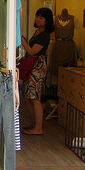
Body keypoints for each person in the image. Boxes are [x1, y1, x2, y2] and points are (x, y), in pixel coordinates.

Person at [20, 7, 55, 135]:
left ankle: (38, 127)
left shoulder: (45, 35)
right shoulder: (37, 32)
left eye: (41, 17)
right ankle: (35, 124)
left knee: (34, 97)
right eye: (37, 16)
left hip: (38, 67)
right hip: (33, 66)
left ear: (47, 21)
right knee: (28, 96)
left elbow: (32, 51)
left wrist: (23, 41)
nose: (38, 19)